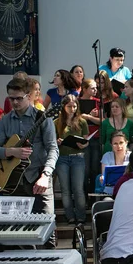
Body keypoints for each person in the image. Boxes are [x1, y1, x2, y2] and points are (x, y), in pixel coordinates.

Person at [0, 78, 58, 248]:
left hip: (39, 176)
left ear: (29, 96)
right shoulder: (5, 120)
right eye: (11, 98)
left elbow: (53, 149)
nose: (14, 102)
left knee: (46, 228)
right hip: (14, 181)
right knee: (16, 232)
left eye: (18, 98)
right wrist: (11, 152)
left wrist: (46, 175)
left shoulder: (42, 117)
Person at [55, 95, 89, 224]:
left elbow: (86, 140)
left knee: (78, 188)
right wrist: (57, 141)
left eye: (74, 106)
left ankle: (81, 215)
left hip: (78, 157)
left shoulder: (81, 121)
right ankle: (69, 216)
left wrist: (83, 144)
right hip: (62, 157)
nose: (72, 109)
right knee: (65, 189)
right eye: (69, 106)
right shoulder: (57, 122)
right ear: (64, 107)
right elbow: (52, 140)